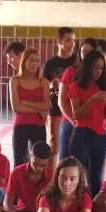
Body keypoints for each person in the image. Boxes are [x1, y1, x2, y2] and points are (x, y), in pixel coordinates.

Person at [67, 49, 106, 197]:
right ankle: (77, 203)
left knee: (97, 176)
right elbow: (76, 115)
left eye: (101, 68)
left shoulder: (104, 86)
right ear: (87, 66)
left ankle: (94, 205)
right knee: (78, 174)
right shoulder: (76, 86)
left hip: (100, 135)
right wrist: (93, 99)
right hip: (82, 134)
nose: (98, 71)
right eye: (95, 67)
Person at [3, 140, 53, 212]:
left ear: (48, 162)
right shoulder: (17, 172)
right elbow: (7, 203)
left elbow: (54, 204)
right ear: (30, 156)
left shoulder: (52, 175)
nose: (39, 168)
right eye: (36, 163)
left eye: (43, 165)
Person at [58, 37, 99, 160]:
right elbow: (61, 102)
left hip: (93, 124)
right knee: (66, 161)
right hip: (70, 122)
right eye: (83, 51)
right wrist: (74, 122)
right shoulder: (70, 72)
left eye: (89, 51)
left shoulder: (101, 74)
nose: (86, 54)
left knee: (88, 162)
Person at [10, 48, 50, 167]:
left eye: (37, 61)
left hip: (38, 125)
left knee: (39, 162)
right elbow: (16, 108)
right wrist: (39, 110)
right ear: (24, 61)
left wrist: (24, 102)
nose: (35, 63)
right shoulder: (15, 80)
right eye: (31, 60)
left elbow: (46, 105)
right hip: (20, 125)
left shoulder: (43, 82)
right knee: (19, 161)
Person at [42, 27, 76, 165]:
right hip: (55, 107)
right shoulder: (50, 64)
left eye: (73, 40)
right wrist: (52, 86)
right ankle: (53, 174)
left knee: (74, 142)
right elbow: (43, 87)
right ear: (59, 41)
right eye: (68, 40)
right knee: (54, 142)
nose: (72, 44)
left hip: (73, 107)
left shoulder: (77, 62)